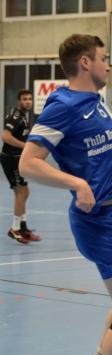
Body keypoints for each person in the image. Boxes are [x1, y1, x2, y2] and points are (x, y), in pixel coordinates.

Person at [19, 33, 112, 355]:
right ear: (85, 63)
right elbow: (28, 163)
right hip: (99, 220)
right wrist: (77, 183)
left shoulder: (95, 100)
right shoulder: (62, 105)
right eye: (104, 57)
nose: (109, 63)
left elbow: (107, 138)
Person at [1, 89, 41, 243]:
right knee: (22, 192)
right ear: (19, 101)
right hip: (10, 158)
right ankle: (15, 229)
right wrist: (25, 146)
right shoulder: (15, 116)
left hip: (18, 158)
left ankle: (22, 228)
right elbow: (5, 136)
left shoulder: (25, 115)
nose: (28, 101)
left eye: (30, 99)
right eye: (25, 99)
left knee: (24, 192)